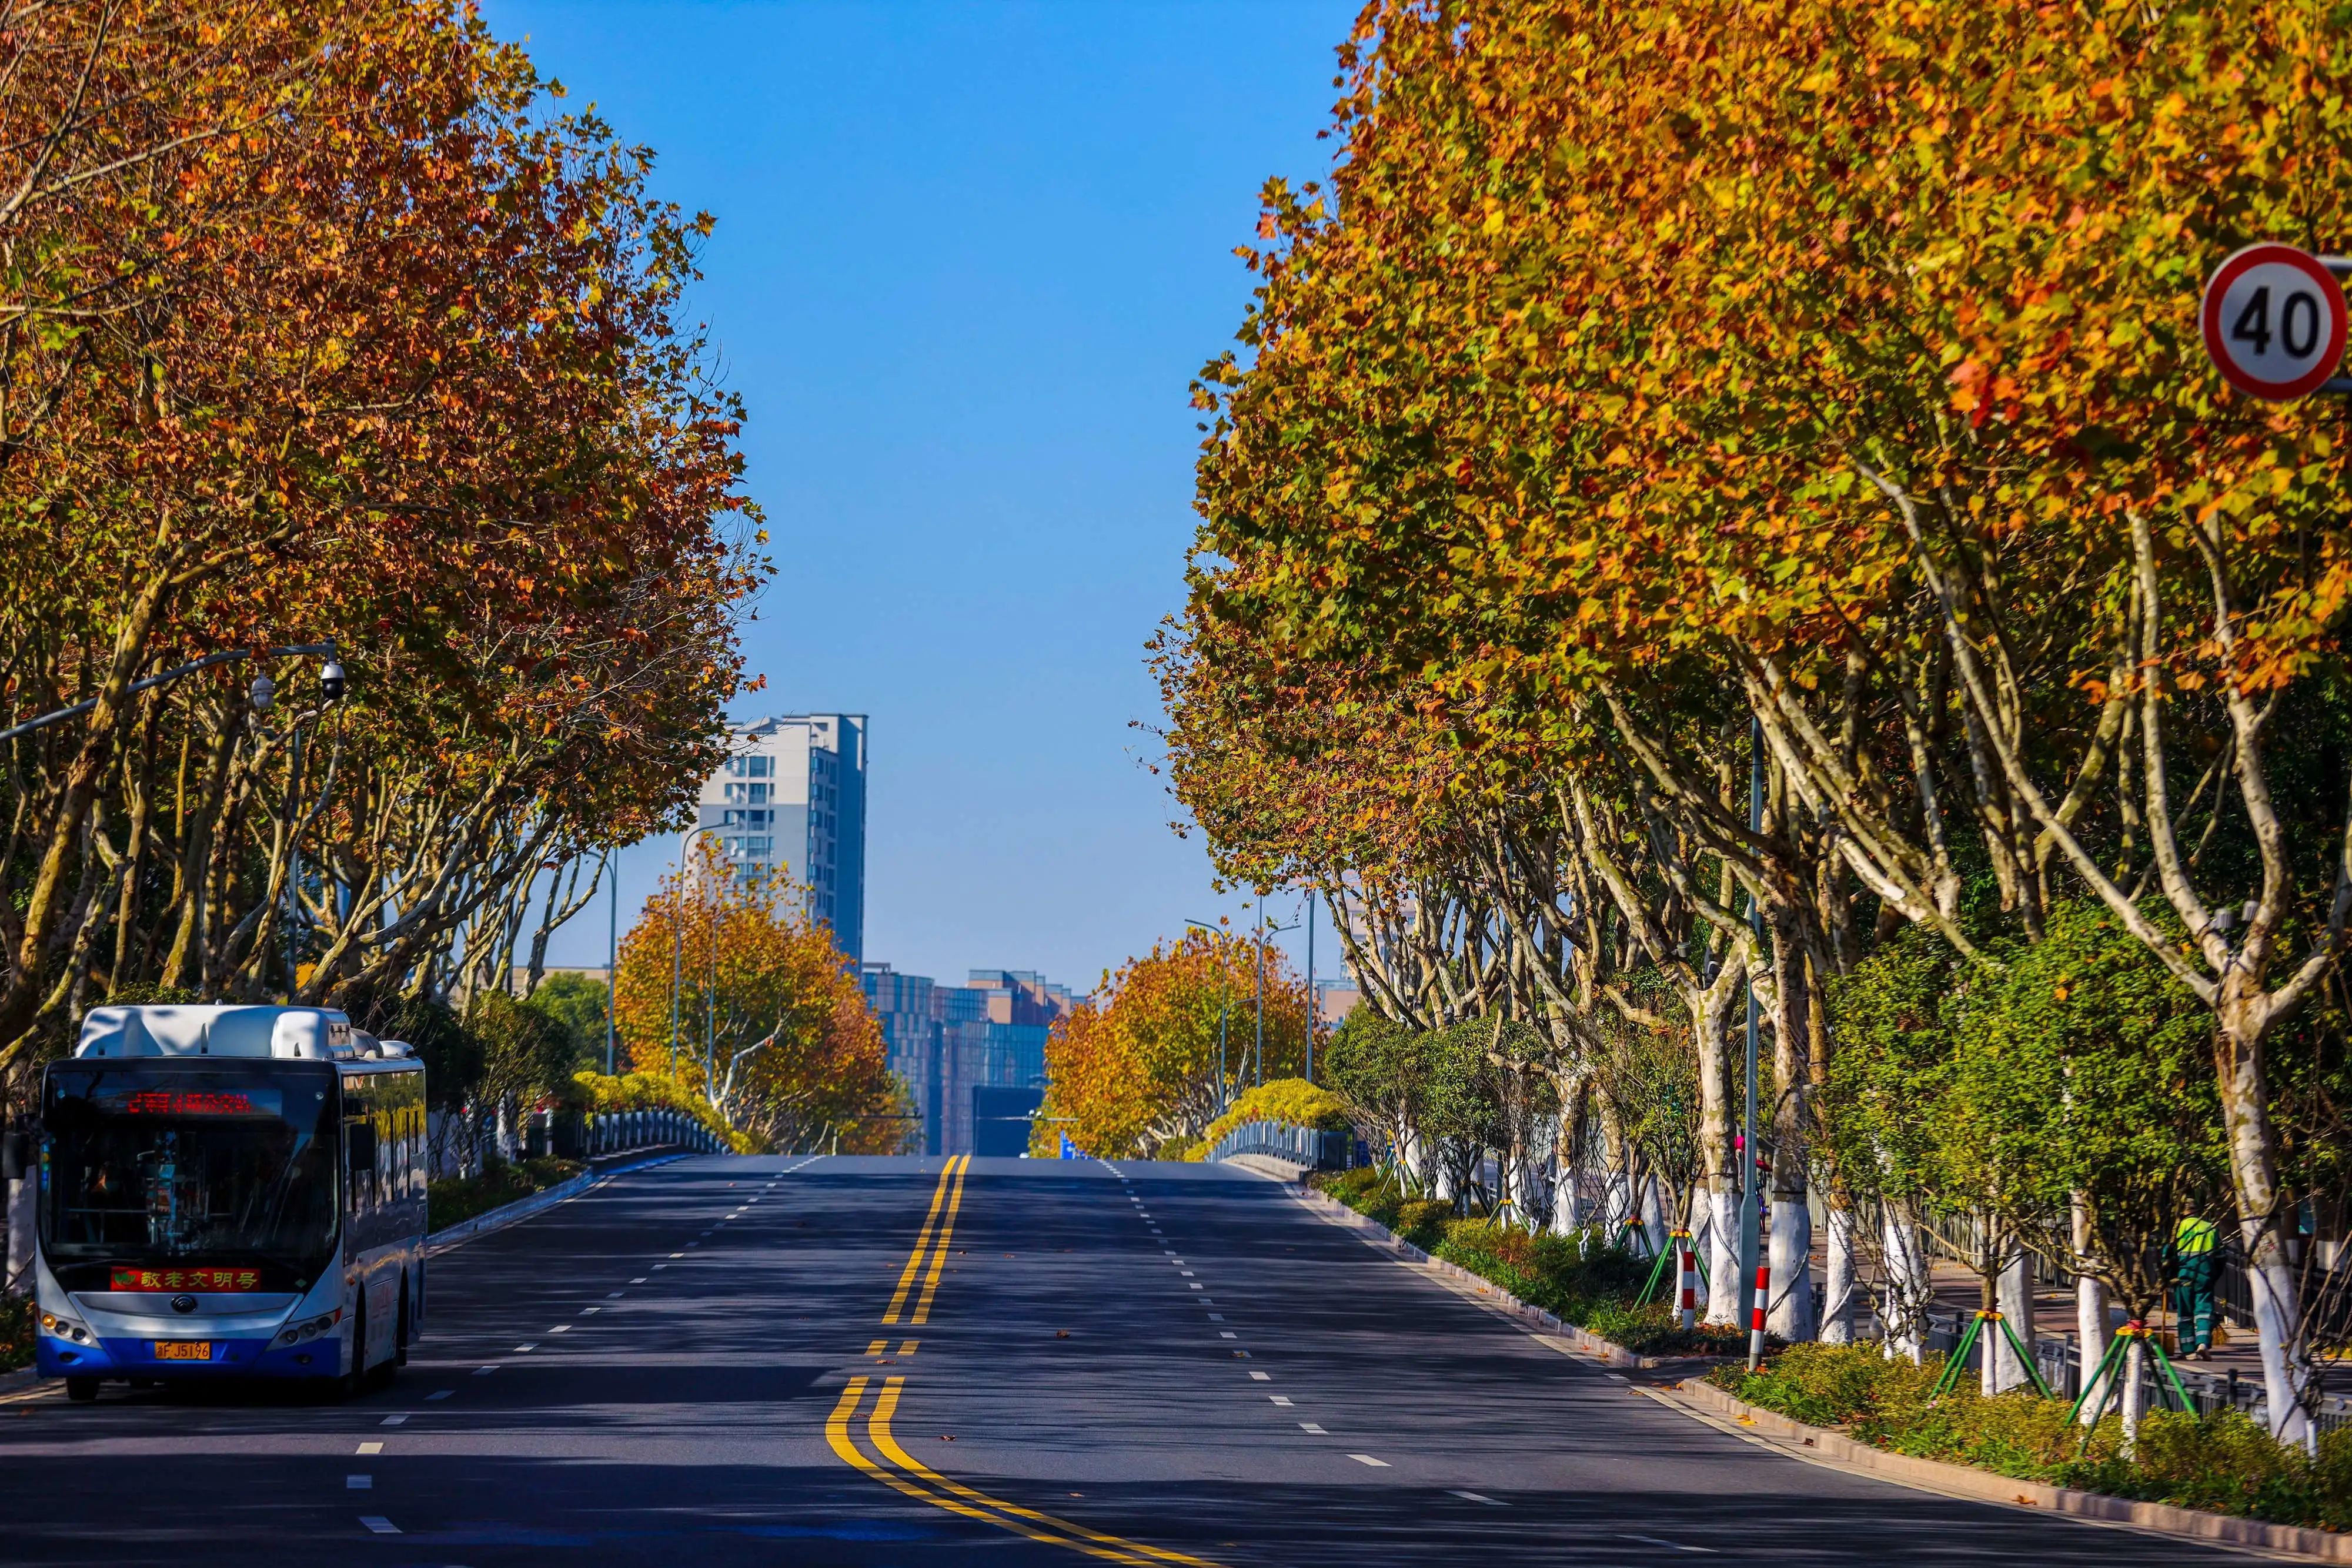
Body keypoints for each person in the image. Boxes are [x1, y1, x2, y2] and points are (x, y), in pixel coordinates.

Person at [2171, 1213, 2221, 1360]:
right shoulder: (2210, 1228)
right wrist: (2213, 1276)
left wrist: (2168, 1276)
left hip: (2183, 1276)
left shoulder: (2177, 1229)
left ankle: (2188, 1351)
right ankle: (2203, 1345)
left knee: (2185, 1314)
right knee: (2204, 1312)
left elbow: (2167, 1255)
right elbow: (2221, 1257)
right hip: (2204, 1275)